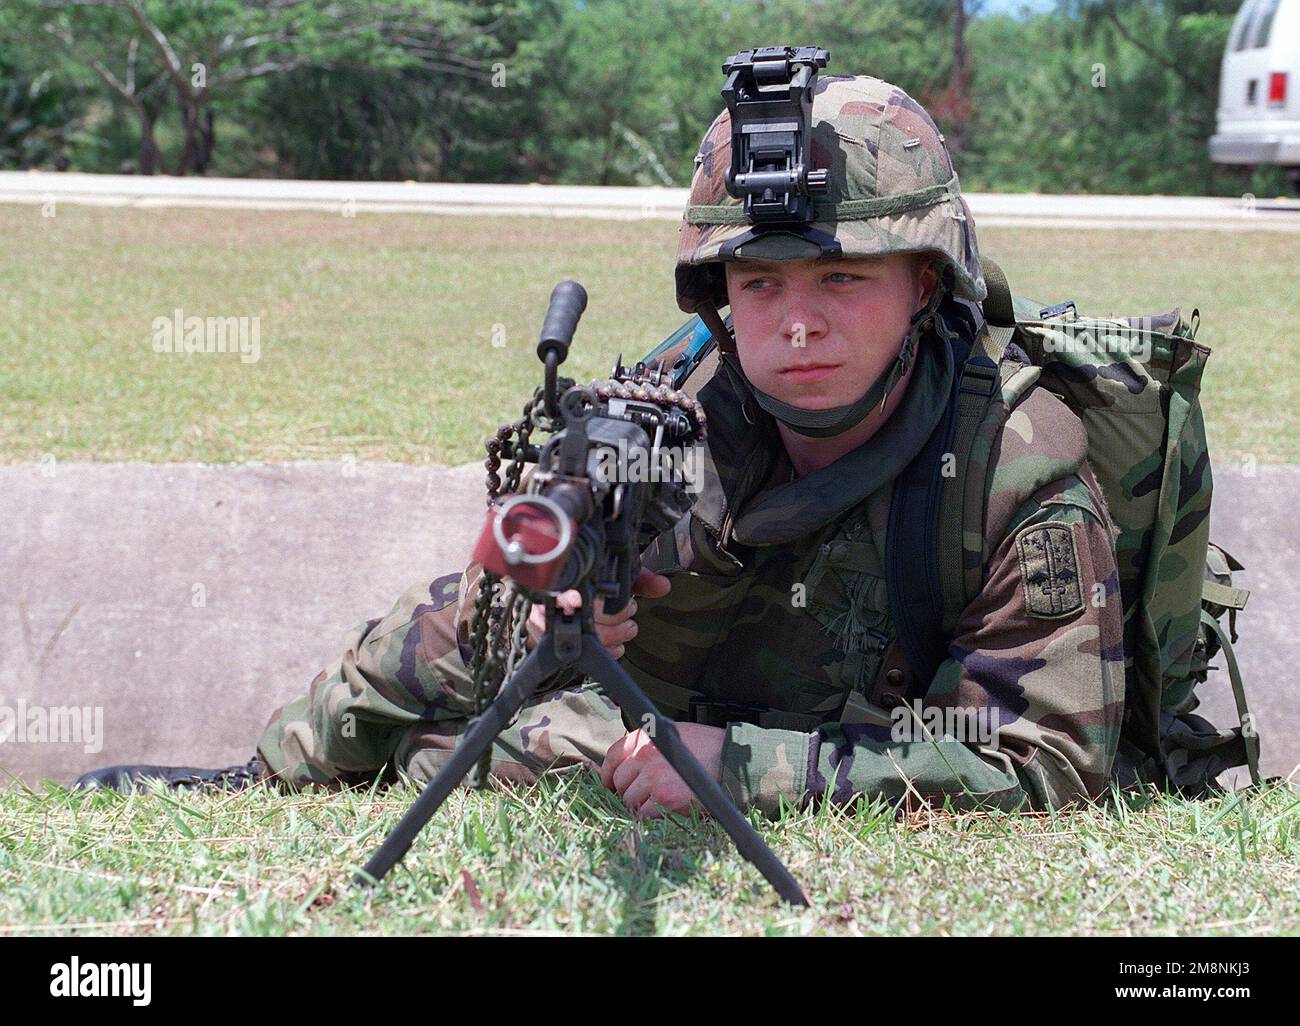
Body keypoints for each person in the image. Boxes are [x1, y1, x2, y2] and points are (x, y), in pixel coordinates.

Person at [78, 74, 1125, 819]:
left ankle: (435, 762)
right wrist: (558, 600)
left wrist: (749, 770)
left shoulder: (1010, 454)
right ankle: (269, 776)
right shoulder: (674, 417)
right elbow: (487, 610)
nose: (796, 325)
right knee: (488, 660)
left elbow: (1048, 760)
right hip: (675, 714)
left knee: (541, 754)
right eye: (759, 286)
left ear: (925, 285)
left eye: (842, 280)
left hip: (826, 729)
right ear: (719, 298)